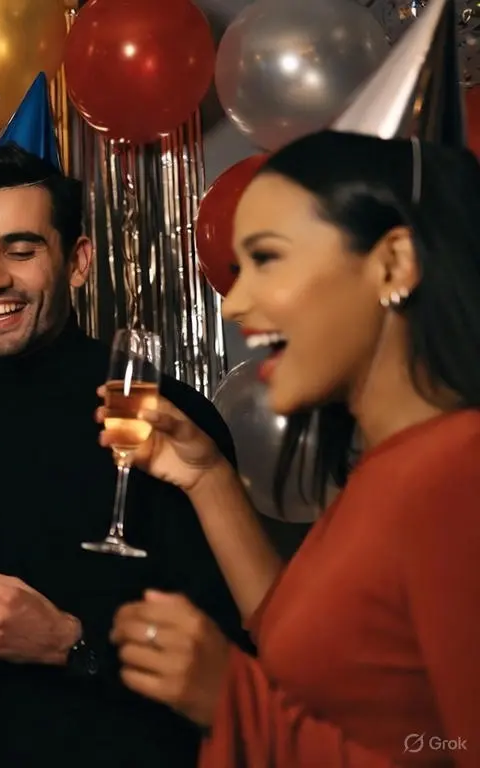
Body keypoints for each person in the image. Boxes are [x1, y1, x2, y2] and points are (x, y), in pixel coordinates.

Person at [106, 131, 480, 766]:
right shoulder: (395, 467)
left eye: (267, 259)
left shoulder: (455, 473)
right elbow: (316, 647)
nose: (235, 304)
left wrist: (233, 705)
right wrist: (207, 479)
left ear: (393, 263)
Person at [0, 144, 247, 766]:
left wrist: (71, 641)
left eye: (21, 249)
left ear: (78, 261)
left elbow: (229, 647)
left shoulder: (164, 416)